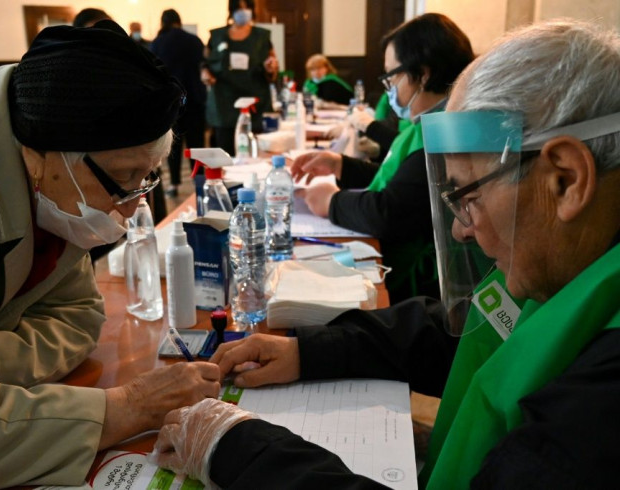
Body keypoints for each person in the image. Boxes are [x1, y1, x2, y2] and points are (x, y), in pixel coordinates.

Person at [149, 20, 620, 488]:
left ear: (566, 180)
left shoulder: (602, 404)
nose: (460, 230)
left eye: (469, 198)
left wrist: (237, 449)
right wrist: (306, 351)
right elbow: (462, 330)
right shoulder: (572, 267)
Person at [0, 21, 221, 488]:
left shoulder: (50, 190)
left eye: (147, 180)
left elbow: (79, 314)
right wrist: (127, 407)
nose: (133, 206)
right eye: (124, 180)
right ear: (43, 153)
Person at [293, 13, 475, 303]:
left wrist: (332, 202)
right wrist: (340, 165)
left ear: (423, 74)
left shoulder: (447, 131)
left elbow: (391, 211)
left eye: (392, 76)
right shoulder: (431, 121)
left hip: (423, 292)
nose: (389, 88)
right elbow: (403, 179)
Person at [72, 10, 168, 259]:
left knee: (141, 225)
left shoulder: (131, 67)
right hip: (99, 179)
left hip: (134, 166)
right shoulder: (70, 86)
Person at [202, 0, 279, 155]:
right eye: (239, 8)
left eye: (247, 8)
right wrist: (204, 73)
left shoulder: (262, 37)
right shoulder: (217, 36)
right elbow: (205, 62)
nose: (243, 12)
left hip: (255, 103)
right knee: (225, 154)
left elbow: (273, 66)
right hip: (224, 104)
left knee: (255, 153)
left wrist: (271, 67)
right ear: (232, 10)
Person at [150, 9, 207, 198]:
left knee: (173, 146)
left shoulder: (158, 43)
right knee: (196, 143)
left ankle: (174, 184)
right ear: (179, 21)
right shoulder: (194, 41)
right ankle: (199, 182)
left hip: (171, 101)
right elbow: (204, 64)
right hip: (195, 99)